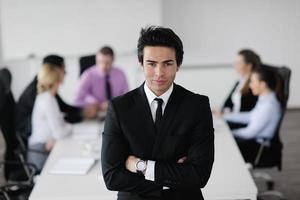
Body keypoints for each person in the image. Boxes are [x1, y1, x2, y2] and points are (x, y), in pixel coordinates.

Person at [101, 26, 214, 200]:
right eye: (151, 64)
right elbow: (112, 177)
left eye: (168, 64)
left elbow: (199, 175)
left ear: (178, 65)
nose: (159, 73)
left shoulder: (197, 105)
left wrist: (141, 166)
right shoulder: (119, 107)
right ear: (141, 64)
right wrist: (174, 175)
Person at [15, 55, 97, 146]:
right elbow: (57, 128)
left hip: (44, 141)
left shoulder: (46, 92)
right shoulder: (43, 97)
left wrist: (82, 112)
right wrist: (79, 117)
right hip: (39, 143)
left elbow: (62, 110)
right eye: (63, 69)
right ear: (54, 71)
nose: (65, 73)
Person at [223, 67, 283, 163]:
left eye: (252, 82)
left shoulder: (269, 105)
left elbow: (250, 132)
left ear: (262, 85)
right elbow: (250, 116)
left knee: (221, 146)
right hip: (252, 141)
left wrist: (229, 133)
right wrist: (225, 116)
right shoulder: (265, 99)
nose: (250, 86)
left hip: (257, 147)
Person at [27, 64, 72, 171]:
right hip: (40, 152)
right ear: (56, 82)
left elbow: (58, 129)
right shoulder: (48, 101)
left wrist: (58, 134)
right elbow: (59, 133)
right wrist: (70, 127)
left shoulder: (45, 97)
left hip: (42, 148)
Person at [215, 49, 261, 129]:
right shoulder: (240, 81)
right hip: (232, 119)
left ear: (248, 66)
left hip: (241, 124)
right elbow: (228, 102)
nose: (235, 66)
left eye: (238, 63)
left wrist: (225, 115)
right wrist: (221, 110)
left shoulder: (254, 87)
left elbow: (250, 115)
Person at [74, 46, 129, 113]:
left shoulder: (120, 74)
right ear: (96, 60)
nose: (103, 66)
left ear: (113, 60)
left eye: (107, 62)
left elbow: (126, 96)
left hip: (116, 111)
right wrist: (94, 102)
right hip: (95, 113)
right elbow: (77, 99)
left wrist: (114, 103)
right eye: (100, 62)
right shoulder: (88, 75)